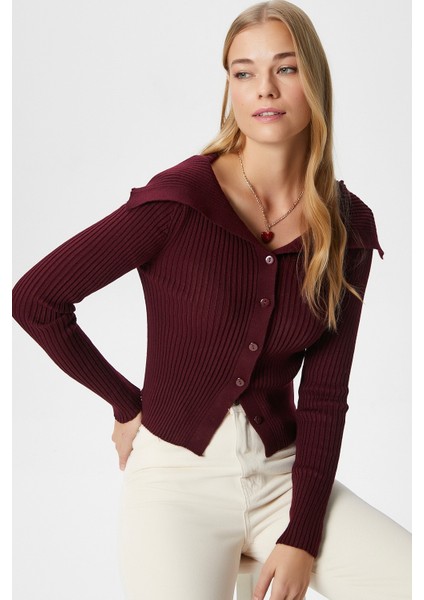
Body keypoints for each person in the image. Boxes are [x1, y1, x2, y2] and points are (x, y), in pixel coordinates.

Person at [12, 1, 411, 599]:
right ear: (230, 88)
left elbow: (325, 395)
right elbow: (37, 299)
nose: (264, 88)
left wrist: (302, 536)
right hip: (176, 484)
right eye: (244, 72)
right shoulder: (179, 204)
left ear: (315, 81)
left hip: (285, 480)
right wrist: (127, 404)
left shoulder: (346, 225)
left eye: (286, 68)